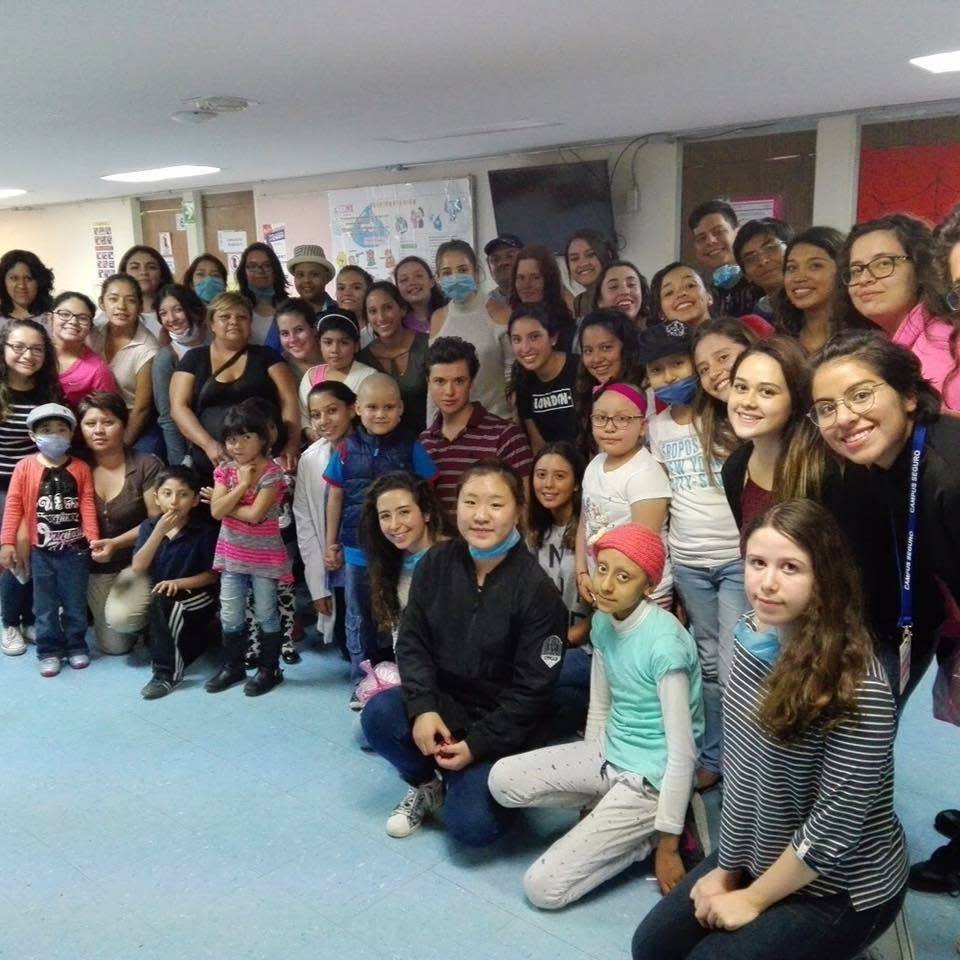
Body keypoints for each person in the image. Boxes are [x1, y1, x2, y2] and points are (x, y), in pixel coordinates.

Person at [631, 499, 908, 960]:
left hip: (839, 887)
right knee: (652, 948)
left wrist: (753, 899)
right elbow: (741, 773)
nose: (769, 583)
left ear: (826, 578)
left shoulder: (859, 685)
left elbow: (834, 828)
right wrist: (728, 868)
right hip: (762, 854)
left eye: (791, 567)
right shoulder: (750, 636)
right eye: (757, 563)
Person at [811, 330, 960, 896]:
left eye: (860, 396)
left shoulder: (949, 472)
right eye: (826, 408)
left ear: (907, 394)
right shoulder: (895, 460)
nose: (843, 418)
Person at [490, 523, 704, 908]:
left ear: (648, 586)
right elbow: (602, 705)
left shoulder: (664, 645)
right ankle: (620, 815)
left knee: (542, 890)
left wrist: (668, 848)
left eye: (624, 577)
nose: (605, 585)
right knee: (501, 781)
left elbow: (683, 753)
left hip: (651, 775)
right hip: (611, 753)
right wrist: (595, 781)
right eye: (602, 568)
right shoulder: (604, 620)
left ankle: (650, 837)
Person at [361, 460, 568, 843]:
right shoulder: (436, 564)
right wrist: (423, 708)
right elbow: (412, 642)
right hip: (444, 707)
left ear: (518, 511)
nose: (481, 516)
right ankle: (428, 783)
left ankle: (473, 781)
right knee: (378, 715)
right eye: (470, 502)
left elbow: (532, 691)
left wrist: (477, 745)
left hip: (500, 725)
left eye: (495, 504)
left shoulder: (537, 592)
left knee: (473, 829)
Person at [641, 322, 746, 790]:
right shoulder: (658, 427)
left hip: (737, 557)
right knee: (706, 662)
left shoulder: (728, 416)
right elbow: (662, 499)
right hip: (689, 561)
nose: (669, 377)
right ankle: (715, 756)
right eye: (657, 371)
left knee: (737, 661)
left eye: (678, 365)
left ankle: (751, 762)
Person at [324, 374, 437, 693]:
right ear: (357, 409)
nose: (380, 414)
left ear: (401, 409)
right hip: (357, 551)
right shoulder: (345, 449)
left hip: (400, 549)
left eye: (388, 407)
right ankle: (362, 681)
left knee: (401, 611)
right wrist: (332, 542)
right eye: (372, 407)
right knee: (359, 617)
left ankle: (404, 677)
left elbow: (427, 491)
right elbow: (335, 496)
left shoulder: (411, 446)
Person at [0, 403, 98, 677]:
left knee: (75, 603)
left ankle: (77, 645)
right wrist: (7, 542)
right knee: (44, 606)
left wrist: (92, 538)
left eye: (61, 430)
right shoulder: (24, 467)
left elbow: (87, 503)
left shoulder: (80, 467)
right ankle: (49, 650)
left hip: (75, 552)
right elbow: (14, 506)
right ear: (32, 435)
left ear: (71, 434)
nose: (54, 435)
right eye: (46, 430)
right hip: (41, 552)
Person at [206, 401, 292, 697]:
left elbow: (255, 515)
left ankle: (270, 669)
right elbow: (216, 512)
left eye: (246, 437)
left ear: (263, 439)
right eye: (232, 439)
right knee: (231, 614)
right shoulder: (225, 471)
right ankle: (233, 667)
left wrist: (229, 504)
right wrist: (242, 487)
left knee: (267, 613)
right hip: (231, 555)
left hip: (264, 558)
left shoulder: (272, 473)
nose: (238, 445)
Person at [170, 291, 300, 483]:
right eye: (225, 317)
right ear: (212, 323)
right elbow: (178, 408)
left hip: (265, 462)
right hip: (211, 462)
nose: (234, 321)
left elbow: (289, 400)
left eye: (241, 317)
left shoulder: (267, 356)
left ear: (250, 324)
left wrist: (292, 442)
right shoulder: (194, 359)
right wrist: (208, 444)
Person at [837, 213, 960, 410]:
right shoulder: (887, 345)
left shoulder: (942, 344)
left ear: (920, 267)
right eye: (856, 269)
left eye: (884, 263)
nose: (865, 278)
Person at [125, 466, 219, 699]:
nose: (174, 501)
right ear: (156, 497)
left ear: (196, 499)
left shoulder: (204, 530)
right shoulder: (150, 526)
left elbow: (212, 575)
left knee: (168, 604)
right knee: (162, 603)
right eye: (167, 494)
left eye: (183, 494)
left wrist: (179, 583)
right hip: (162, 593)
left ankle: (167, 674)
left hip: (197, 594)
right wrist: (159, 532)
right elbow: (138, 567)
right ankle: (186, 643)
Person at [576, 381, 672, 609]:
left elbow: (643, 548)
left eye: (622, 419)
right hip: (604, 585)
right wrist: (582, 572)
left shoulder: (645, 473)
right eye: (600, 418)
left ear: (642, 426)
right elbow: (584, 523)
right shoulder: (594, 465)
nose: (609, 427)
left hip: (641, 594)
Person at [80, 391, 163, 656]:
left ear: (123, 425)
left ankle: (150, 614)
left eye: (108, 422)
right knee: (114, 647)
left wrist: (116, 543)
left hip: (135, 562)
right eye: (90, 424)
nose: (99, 431)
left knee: (123, 620)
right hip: (93, 568)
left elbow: (156, 519)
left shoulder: (145, 464)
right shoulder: (75, 466)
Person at [720, 337, 826, 538]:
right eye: (741, 387)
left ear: (795, 402)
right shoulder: (734, 468)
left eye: (767, 392)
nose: (748, 402)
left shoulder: (825, 469)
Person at [419, 337, 532, 523]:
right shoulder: (424, 443)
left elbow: (525, 510)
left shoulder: (506, 436)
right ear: (428, 382)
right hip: (440, 550)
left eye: (459, 381)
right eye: (439, 381)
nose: (449, 391)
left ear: (471, 382)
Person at [0, 318, 62, 655]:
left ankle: (28, 618)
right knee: (14, 549)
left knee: (38, 549)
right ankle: (10, 621)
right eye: (19, 347)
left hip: (38, 484)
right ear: (4, 348)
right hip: (2, 487)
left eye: (37, 349)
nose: (28, 355)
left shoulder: (48, 391)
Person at [527, 441, 591, 726]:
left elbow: (611, 604)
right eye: (541, 475)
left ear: (577, 483)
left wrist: (572, 635)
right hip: (547, 643)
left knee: (532, 676)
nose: (548, 484)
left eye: (560, 476)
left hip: (587, 647)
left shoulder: (591, 529)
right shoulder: (534, 530)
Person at [293, 381, 356, 660]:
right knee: (347, 645)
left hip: (366, 557)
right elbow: (305, 522)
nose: (323, 421)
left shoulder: (370, 449)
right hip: (334, 562)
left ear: (352, 409)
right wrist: (317, 584)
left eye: (332, 411)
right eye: (316, 414)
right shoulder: (310, 458)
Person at [430, 240, 511, 420]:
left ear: (475, 271)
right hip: (450, 427)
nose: (455, 277)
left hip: (497, 422)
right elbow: (434, 382)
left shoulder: (501, 313)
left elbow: (512, 377)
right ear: (438, 278)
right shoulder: (437, 318)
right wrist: (431, 430)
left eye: (462, 270)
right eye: (447, 273)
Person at [362, 471, 447, 642]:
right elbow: (400, 632)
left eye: (404, 512)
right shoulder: (392, 558)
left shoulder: (453, 560)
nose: (394, 525)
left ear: (426, 513)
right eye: (385, 516)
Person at [89, 274, 160, 451]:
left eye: (130, 300)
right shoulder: (93, 331)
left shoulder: (147, 348)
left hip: (133, 423)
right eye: (113, 299)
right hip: (95, 418)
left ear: (140, 306)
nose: (121, 307)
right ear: (102, 303)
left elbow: (142, 408)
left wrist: (121, 447)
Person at [691, 317, 758, 491]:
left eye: (723, 357)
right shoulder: (733, 465)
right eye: (703, 370)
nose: (713, 373)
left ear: (751, 348)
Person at [358, 281, 429, 435]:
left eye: (388, 308)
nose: (381, 317)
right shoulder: (362, 359)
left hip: (430, 442)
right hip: (384, 449)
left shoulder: (428, 346)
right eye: (372, 311)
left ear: (402, 309)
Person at [574, 309, 645, 460]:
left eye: (606, 348)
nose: (596, 359)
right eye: (588, 351)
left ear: (627, 348)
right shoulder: (590, 394)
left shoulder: (648, 394)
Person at [509, 302, 578, 450]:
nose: (525, 348)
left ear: (553, 337)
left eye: (534, 337)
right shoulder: (523, 383)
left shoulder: (580, 370)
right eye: (517, 339)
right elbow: (538, 445)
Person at [153, 284, 208, 466]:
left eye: (178, 310)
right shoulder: (166, 358)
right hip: (193, 447)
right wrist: (180, 462)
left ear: (193, 309)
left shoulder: (216, 342)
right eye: (163, 313)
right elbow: (168, 417)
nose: (171, 319)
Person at [777, 226, 846, 355]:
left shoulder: (864, 338)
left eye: (815, 266)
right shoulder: (782, 340)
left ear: (842, 270)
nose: (799, 277)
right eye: (791, 268)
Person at [688, 200, 761, 318]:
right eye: (701, 238)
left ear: (737, 232)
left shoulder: (761, 280)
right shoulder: (702, 292)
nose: (710, 241)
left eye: (718, 232)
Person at [298, 311, 377, 417]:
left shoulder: (369, 377)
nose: (335, 350)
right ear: (319, 343)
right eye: (328, 342)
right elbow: (304, 417)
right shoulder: (310, 376)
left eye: (344, 343)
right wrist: (311, 432)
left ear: (356, 345)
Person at [49, 292, 118, 409]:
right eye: (65, 314)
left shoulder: (97, 371)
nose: (73, 322)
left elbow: (107, 414)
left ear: (90, 327)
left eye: (82, 318)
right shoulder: (34, 352)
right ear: (50, 318)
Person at [509, 244, 576, 351]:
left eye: (535, 277)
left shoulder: (566, 328)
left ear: (549, 280)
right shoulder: (515, 321)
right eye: (521, 278)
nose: (526, 285)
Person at [732, 218, 794, 317]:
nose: (762, 261)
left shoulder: (819, 305)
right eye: (750, 258)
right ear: (746, 275)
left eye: (771, 248)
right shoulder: (754, 322)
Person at [236, 242, 288, 350]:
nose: (260, 271)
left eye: (267, 265)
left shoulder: (289, 308)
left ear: (275, 270)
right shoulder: (236, 308)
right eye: (252, 266)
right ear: (243, 272)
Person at [118, 245, 174, 339]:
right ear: (124, 274)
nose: (143, 272)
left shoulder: (176, 314)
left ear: (162, 275)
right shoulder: (110, 315)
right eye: (135, 267)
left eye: (151, 267)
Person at [565, 229, 617, 320]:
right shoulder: (580, 301)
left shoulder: (622, 294)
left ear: (607, 255)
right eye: (574, 259)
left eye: (590, 255)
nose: (583, 263)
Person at [274, 297, 325, 384]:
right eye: (285, 333)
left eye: (299, 330)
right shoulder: (279, 366)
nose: (293, 339)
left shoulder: (335, 355)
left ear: (314, 329)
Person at [0, 249, 54, 327]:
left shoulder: (54, 318)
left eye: (28, 278)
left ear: (39, 281)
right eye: (14, 278)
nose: (22, 285)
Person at [394, 256, 446, 335]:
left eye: (418, 276)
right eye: (404, 279)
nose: (412, 282)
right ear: (397, 288)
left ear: (431, 281)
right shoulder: (397, 323)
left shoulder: (449, 313)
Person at [287, 244, 337, 317]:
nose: (306, 280)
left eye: (314, 274)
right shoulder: (287, 313)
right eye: (300, 275)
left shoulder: (339, 312)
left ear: (326, 278)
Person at [596, 260, 649, 329]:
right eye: (613, 286)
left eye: (631, 284)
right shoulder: (591, 336)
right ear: (600, 300)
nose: (625, 291)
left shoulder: (660, 332)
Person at [335, 266, 374, 345]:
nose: (347, 293)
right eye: (341, 288)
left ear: (368, 292)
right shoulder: (328, 328)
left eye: (356, 288)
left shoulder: (379, 328)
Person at [484, 233, 523, 308]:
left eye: (510, 256)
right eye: (495, 259)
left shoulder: (545, 296)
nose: (502, 263)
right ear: (489, 268)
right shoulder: (485, 307)